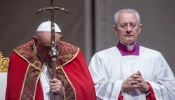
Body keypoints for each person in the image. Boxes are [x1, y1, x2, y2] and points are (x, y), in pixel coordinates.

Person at [88, 8, 175, 100]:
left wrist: (147, 87)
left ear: (139, 28)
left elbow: (171, 89)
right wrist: (120, 86)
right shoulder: (101, 58)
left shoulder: (155, 57)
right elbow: (91, 90)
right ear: (115, 29)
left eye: (133, 25)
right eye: (123, 25)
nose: (129, 29)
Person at [6, 21, 96, 100]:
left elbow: (87, 91)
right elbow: (14, 93)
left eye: (56, 47)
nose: (51, 52)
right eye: (46, 47)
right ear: (35, 40)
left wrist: (64, 92)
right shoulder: (21, 56)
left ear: (60, 38)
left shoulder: (73, 54)